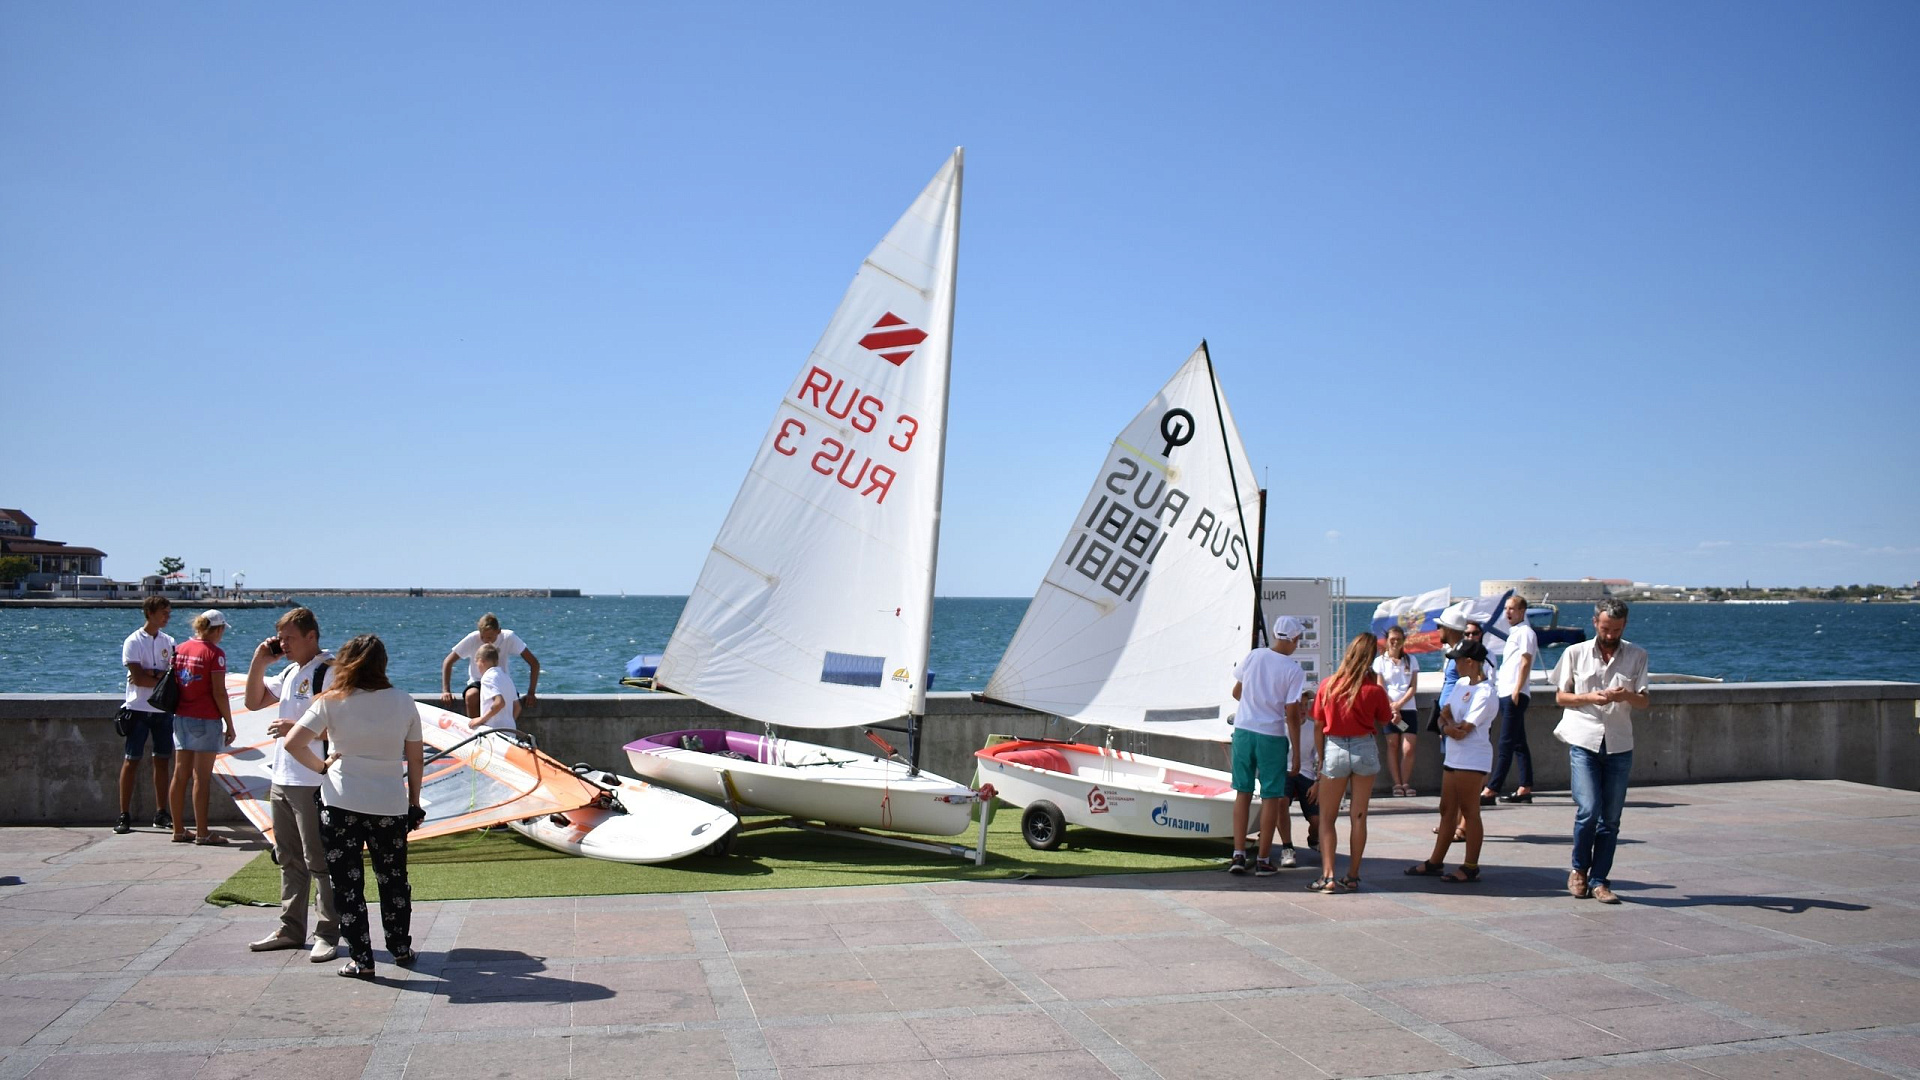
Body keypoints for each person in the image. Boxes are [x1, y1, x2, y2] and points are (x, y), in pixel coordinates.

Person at [284, 634, 424, 979]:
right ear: (383, 665)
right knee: (393, 880)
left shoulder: (330, 701)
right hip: (389, 803)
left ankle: (362, 959)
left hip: (341, 803)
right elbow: (416, 758)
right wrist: (414, 802)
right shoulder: (404, 702)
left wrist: (323, 767)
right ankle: (400, 947)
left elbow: (292, 743)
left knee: (347, 884)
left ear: (345, 663)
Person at [243, 607, 340, 962]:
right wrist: (259, 662)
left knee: (319, 858)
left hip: (311, 779)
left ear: (311, 636)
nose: (282, 644)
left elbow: (343, 730)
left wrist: (295, 730)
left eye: (289, 638)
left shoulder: (328, 673)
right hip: (282, 777)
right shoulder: (288, 670)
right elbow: (253, 702)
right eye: (279, 638)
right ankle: (290, 927)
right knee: (288, 857)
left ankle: (327, 931)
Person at [1553, 598, 1650, 905]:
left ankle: (1600, 880)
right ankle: (1579, 870)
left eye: (1617, 629)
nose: (1610, 635)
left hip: (1620, 743)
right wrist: (1587, 697)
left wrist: (1627, 695)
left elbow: (1645, 701)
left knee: (1611, 818)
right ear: (1595, 622)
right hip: (1584, 740)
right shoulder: (1575, 653)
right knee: (1588, 809)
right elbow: (1560, 697)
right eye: (1606, 628)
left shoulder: (1637, 655)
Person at [1406, 638, 1497, 883]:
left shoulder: (1486, 692)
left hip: (1472, 758)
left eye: (1457, 660)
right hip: (1454, 756)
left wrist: (1447, 725)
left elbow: (1462, 729)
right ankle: (1435, 861)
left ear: (1470, 662)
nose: (1454, 665)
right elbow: (1443, 717)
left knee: (1469, 810)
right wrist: (1447, 724)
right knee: (1447, 810)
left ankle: (1470, 866)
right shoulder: (1460, 684)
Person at [1309, 632, 1393, 893]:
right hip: (1364, 747)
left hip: (1334, 748)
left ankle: (1328, 876)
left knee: (1327, 817)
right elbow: (1387, 719)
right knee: (1358, 816)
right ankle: (1353, 875)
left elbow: (1318, 725)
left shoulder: (1328, 685)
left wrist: (1321, 761)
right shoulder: (1374, 690)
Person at [1226, 615, 1308, 876]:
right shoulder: (1294, 670)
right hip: (1272, 735)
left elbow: (1236, 693)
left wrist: (1254, 701)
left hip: (1244, 731)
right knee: (1271, 796)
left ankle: (1238, 855)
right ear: (1294, 639)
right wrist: (1295, 752)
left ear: (1275, 634)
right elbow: (1293, 714)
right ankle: (1263, 859)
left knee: (1243, 791)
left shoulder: (1254, 656)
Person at [167, 610, 235, 845]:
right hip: (205, 719)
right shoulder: (215, 654)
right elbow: (219, 692)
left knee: (179, 774)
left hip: (181, 716)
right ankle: (203, 832)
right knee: (201, 778)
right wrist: (230, 722)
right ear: (217, 629)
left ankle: (178, 829)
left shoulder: (181, 649)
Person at [116, 596, 176, 834]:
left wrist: (152, 674)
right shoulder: (132, 641)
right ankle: (124, 814)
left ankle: (161, 812)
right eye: (164, 612)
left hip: (162, 710)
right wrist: (157, 676)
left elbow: (171, 675)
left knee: (162, 761)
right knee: (132, 760)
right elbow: (137, 678)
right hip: (138, 709)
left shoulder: (169, 641)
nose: (167, 617)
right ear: (150, 613)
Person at [1484, 594, 1541, 804]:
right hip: (1505, 692)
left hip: (1514, 693)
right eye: (1506, 609)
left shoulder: (1525, 632)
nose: (1508, 612)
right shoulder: (1514, 633)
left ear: (1522, 611)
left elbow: (1525, 661)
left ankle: (1492, 789)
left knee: (1506, 742)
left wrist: (1517, 689)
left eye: (1512, 609)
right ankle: (1525, 788)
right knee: (1518, 743)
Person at [441, 614, 540, 719]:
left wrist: (531, 692)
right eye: (482, 636)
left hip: (500, 680)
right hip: (478, 681)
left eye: (489, 637)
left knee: (512, 702)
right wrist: (446, 691)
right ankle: (476, 730)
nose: (485, 641)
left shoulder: (508, 637)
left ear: (498, 631)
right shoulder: (472, 638)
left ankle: (507, 729)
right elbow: (448, 662)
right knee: (471, 696)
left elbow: (534, 663)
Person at [1373, 625, 1421, 796]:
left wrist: (1399, 704)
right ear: (1386, 641)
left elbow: (1413, 686)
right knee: (1392, 745)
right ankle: (1397, 784)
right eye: (1392, 640)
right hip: (1389, 709)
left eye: (1398, 640)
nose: (1395, 643)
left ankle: (1406, 781)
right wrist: (1392, 707)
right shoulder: (1380, 662)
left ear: (1403, 641)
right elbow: (1380, 686)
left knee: (1408, 747)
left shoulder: (1411, 660)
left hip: (1408, 708)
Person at [471, 643, 520, 731]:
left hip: (493, 732)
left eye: (477, 663)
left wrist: (481, 719)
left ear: (482, 661)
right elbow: (517, 707)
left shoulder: (487, 678)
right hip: (511, 730)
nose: (477, 667)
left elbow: (499, 702)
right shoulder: (506, 678)